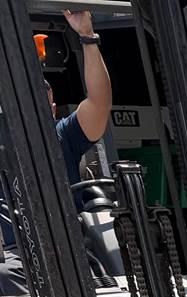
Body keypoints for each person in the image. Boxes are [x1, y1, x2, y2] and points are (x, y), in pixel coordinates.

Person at [1, 9, 112, 254]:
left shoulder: (63, 135)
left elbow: (99, 103)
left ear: (53, 109)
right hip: (13, 255)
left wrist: (87, 37)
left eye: (41, 98)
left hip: (68, 251)